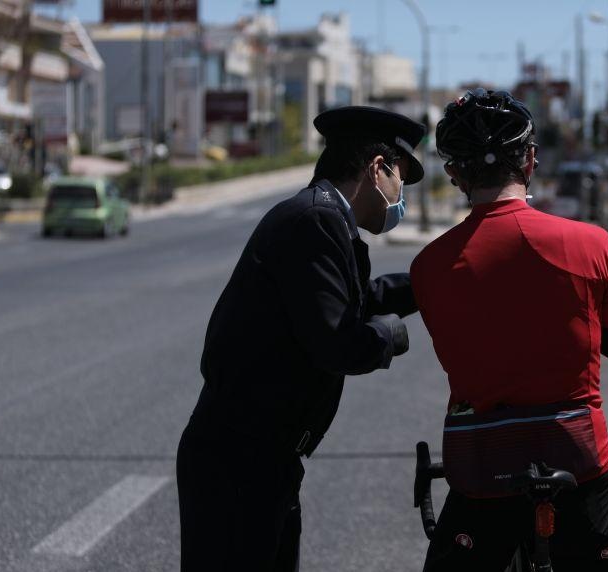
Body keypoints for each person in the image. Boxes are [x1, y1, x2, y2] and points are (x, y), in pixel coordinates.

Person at [176, 106, 426, 571]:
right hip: (239, 462)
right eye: (401, 180)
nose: (401, 196)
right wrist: (390, 336)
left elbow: (352, 299)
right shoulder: (315, 222)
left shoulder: (325, 218)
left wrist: (428, 285)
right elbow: (336, 341)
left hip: (262, 459)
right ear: (376, 169)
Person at [411, 88, 608, 572]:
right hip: (578, 464)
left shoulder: (429, 266)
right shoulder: (591, 243)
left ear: (454, 173)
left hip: (481, 468)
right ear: (531, 160)